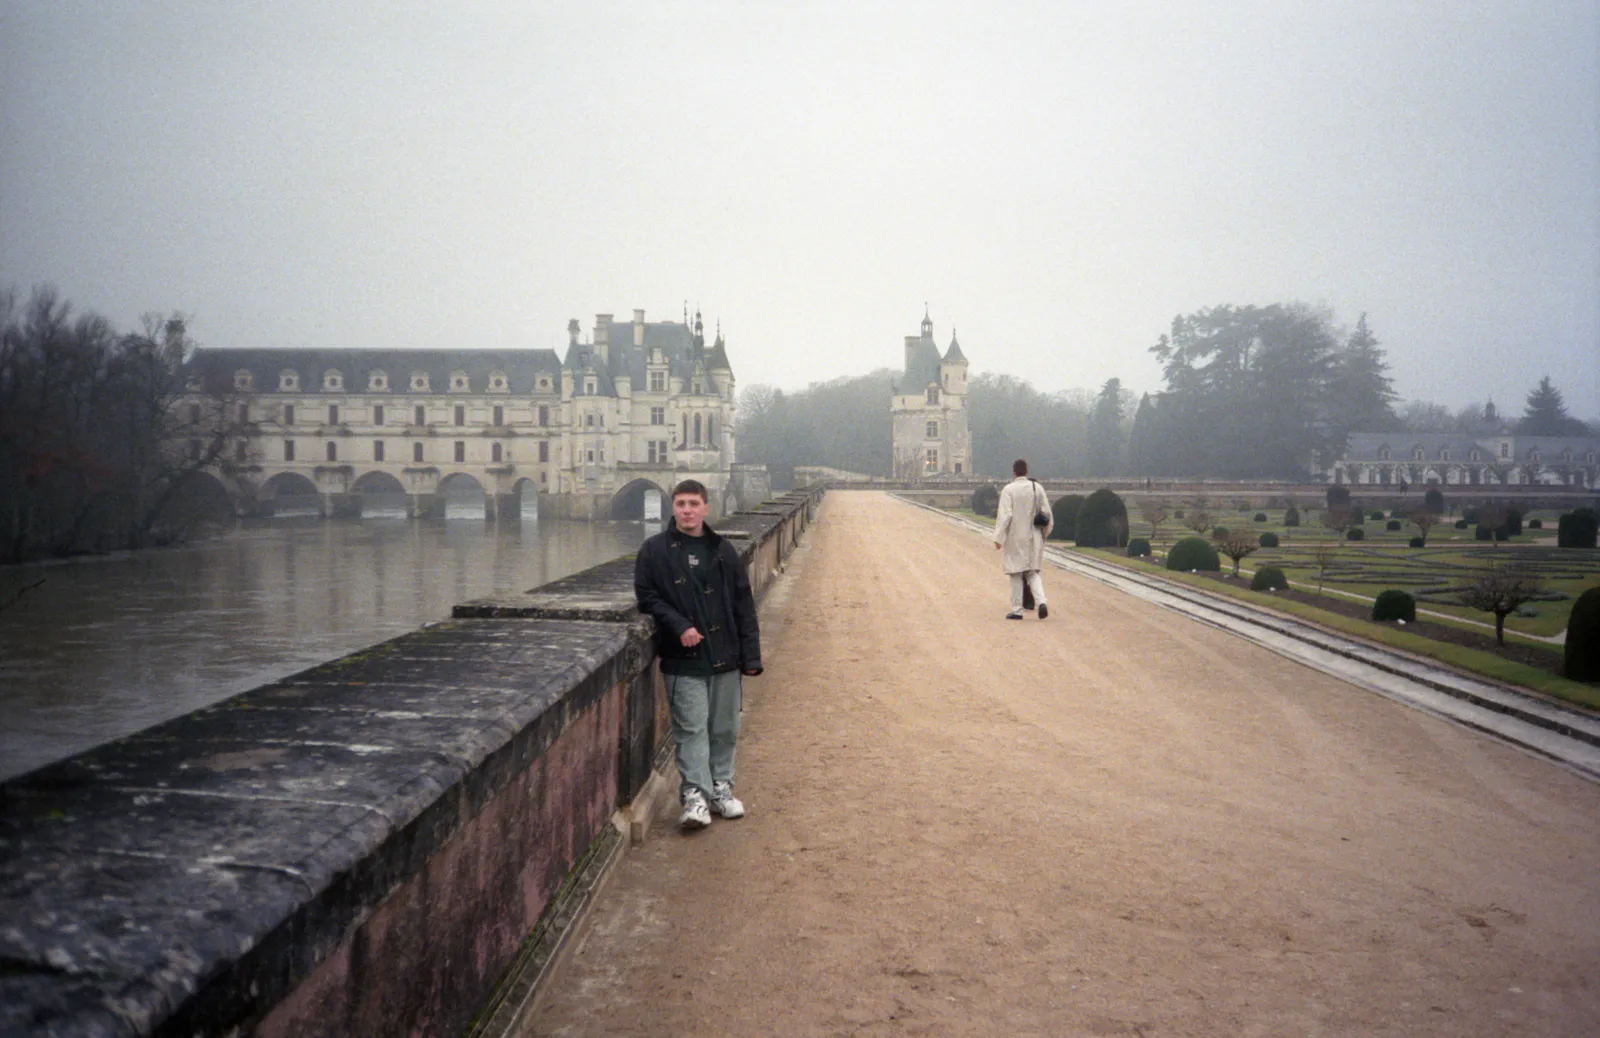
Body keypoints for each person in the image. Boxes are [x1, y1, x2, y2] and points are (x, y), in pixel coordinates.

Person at [634, 479, 763, 830]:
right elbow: (647, 597)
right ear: (672, 508)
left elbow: (743, 605)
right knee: (690, 729)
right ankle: (695, 796)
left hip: (724, 655)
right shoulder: (654, 551)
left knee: (724, 728)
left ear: (706, 507)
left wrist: (750, 656)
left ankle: (721, 788)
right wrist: (678, 624)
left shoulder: (723, 550)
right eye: (680, 504)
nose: (687, 510)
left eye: (693, 503)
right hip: (683, 656)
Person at [993, 459, 1052, 620]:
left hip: (1015, 536)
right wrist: (1044, 535)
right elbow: (1047, 514)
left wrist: (998, 538)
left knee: (1016, 574)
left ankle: (1017, 610)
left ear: (1014, 473)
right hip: (1034, 537)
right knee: (1033, 573)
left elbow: (1005, 516)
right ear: (1026, 471)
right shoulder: (1036, 488)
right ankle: (1041, 602)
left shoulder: (1009, 490)